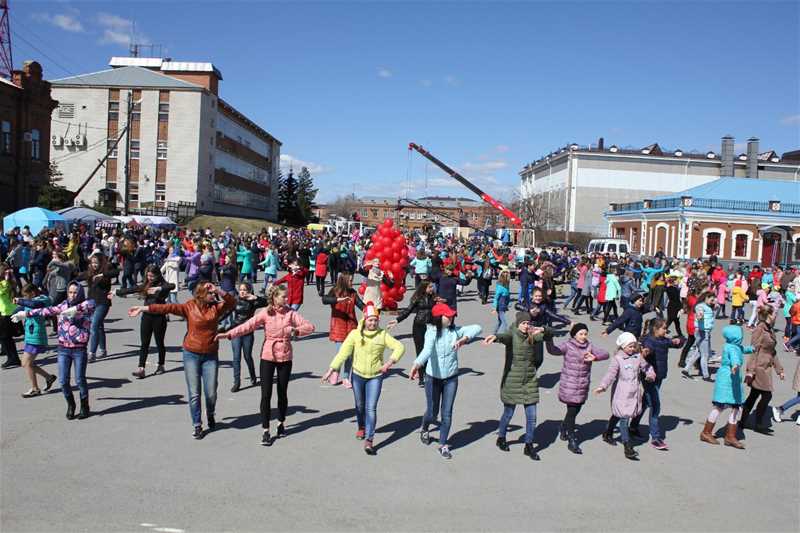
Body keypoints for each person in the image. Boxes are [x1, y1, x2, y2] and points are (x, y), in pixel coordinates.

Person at [130, 282, 235, 439]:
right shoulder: (189, 306)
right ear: (200, 295)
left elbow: (232, 302)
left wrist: (218, 289)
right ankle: (197, 425)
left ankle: (211, 413)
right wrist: (142, 308)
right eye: (210, 293)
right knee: (194, 393)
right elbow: (167, 308)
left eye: (213, 293)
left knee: (211, 392)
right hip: (191, 353)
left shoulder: (216, 307)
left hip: (210, 354)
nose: (213, 295)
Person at [218, 284, 314, 446]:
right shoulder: (265, 313)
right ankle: (266, 430)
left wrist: (296, 331)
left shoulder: (291, 313)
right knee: (266, 394)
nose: (286, 299)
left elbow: (310, 327)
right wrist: (229, 334)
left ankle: (281, 422)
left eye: (286, 296)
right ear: (274, 298)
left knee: (282, 393)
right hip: (268, 355)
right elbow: (247, 325)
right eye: (283, 296)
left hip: (285, 355)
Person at [322, 302, 406, 455]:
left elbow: (399, 347)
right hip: (358, 376)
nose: (373, 323)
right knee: (360, 406)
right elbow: (343, 353)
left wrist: (389, 363)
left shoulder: (382, 335)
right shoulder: (355, 334)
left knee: (371, 408)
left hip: (375, 376)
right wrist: (331, 369)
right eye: (370, 320)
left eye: (375, 320)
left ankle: (369, 439)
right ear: (364, 320)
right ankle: (361, 427)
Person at [409, 303, 481, 460]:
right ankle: (425, 428)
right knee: (432, 412)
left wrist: (464, 339)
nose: (451, 317)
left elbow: (477, 327)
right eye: (447, 315)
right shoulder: (431, 332)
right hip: (432, 378)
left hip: (451, 378)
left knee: (446, 413)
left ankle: (443, 444)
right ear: (438, 318)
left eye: (451, 315)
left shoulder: (455, 331)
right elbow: (427, 350)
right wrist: (416, 364)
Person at [15, 282, 95, 419]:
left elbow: (92, 303)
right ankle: (71, 405)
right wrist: (26, 314)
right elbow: (46, 310)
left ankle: (84, 406)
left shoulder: (87, 305)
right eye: (70, 292)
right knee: (63, 381)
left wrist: (76, 309)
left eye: (75, 292)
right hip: (63, 348)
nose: (72, 295)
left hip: (79, 349)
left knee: (80, 380)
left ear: (80, 293)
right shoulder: (63, 305)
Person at [483, 312, 544, 461]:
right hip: (512, 380)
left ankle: (528, 445)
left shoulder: (533, 336)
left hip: (529, 381)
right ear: (518, 324)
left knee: (532, 417)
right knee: (508, 414)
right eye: (523, 323)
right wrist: (496, 337)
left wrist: (544, 330)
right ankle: (501, 437)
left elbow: (549, 335)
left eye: (528, 323)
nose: (526, 326)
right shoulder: (512, 335)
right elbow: (505, 337)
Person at [545, 323, 609, 454]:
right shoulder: (568, 345)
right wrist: (548, 338)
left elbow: (606, 354)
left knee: (576, 408)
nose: (584, 336)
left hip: (582, 384)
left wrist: (595, 357)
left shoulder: (589, 346)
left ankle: (563, 427)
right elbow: (553, 351)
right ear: (574, 334)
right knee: (572, 411)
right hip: (570, 384)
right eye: (581, 333)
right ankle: (572, 439)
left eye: (585, 333)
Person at [595, 332, 656, 460]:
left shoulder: (638, 357)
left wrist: (650, 375)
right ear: (622, 346)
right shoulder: (618, 359)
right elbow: (610, 374)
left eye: (634, 346)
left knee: (619, 414)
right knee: (624, 417)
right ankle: (627, 446)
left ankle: (607, 433)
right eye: (629, 346)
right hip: (621, 391)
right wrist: (603, 386)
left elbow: (647, 367)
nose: (632, 349)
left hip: (634, 392)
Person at [629, 318, 684, 450]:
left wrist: (679, 341)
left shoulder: (663, 340)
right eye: (664, 328)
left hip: (659, 376)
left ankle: (633, 426)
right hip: (649, 377)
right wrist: (645, 351)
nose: (666, 330)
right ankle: (656, 438)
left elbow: (675, 343)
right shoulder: (649, 341)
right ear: (655, 329)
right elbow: (647, 349)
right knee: (655, 405)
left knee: (646, 402)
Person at [699, 325, 753, 449]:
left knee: (734, 407)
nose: (741, 337)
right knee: (721, 406)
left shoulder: (734, 346)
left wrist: (751, 349)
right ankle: (707, 432)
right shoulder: (732, 348)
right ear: (735, 337)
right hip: (728, 380)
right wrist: (735, 365)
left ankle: (729, 435)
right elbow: (734, 357)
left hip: (731, 380)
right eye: (740, 335)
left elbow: (742, 349)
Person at [118, 265, 175, 379]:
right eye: (148, 275)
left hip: (159, 317)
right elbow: (132, 289)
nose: (149, 278)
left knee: (159, 342)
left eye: (152, 276)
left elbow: (171, 286)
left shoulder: (162, 285)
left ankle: (161, 365)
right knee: (144, 343)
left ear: (157, 275)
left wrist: (159, 288)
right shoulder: (146, 285)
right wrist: (117, 292)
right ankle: (141, 368)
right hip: (146, 316)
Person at [740, 307, 784, 433]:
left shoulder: (769, 329)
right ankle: (758, 423)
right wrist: (750, 370)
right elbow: (754, 351)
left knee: (753, 395)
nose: (776, 315)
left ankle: (742, 421)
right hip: (759, 367)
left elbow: (772, 352)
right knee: (766, 395)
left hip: (766, 366)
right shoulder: (759, 329)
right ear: (769, 315)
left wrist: (779, 369)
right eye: (775, 313)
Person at [220, 282, 267, 392]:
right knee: (236, 357)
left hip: (248, 332)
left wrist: (255, 297)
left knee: (247, 356)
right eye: (240, 289)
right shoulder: (235, 301)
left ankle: (253, 376)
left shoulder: (253, 302)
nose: (242, 292)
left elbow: (266, 302)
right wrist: (215, 322)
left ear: (249, 291)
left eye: (245, 290)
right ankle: (237, 382)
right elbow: (225, 313)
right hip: (235, 331)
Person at [388, 280, 435, 387]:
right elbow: (407, 311)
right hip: (419, 327)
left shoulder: (434, 298)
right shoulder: (417, 298)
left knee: (430, 351)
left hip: (431, 327)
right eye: (430, 287)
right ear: (424, 288)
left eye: (432, 287)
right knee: (420, 351)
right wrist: (397, 320)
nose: (432, 289)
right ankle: (422, 377)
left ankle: (429, 374)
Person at [12, 284, 57, 397]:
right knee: (27, 363)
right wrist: (13, 312)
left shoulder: (42, 299)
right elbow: (19, 308)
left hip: (37, 336)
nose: (26, 298)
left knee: (26, 363)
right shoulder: (29, 301)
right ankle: (49, 377)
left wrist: (20, 301)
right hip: (30, 336)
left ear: (32, 292)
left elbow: (33, 305)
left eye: (26, 295)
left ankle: (35, 389)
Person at [322, 273, 364, 388]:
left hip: (351, 326)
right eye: (350, 280)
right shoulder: (334, 291)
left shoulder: (353, 293)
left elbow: (361, 305)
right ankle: (335, 372)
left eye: (352, 280)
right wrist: (338, 299)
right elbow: (324, 299)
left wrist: (370, 310)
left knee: (350, 354)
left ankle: (346, 377)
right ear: (344, 281)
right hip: (338, 326)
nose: (352, 282)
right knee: (340, 353)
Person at [76, 253, 118, 362]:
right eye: (92, 262)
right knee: (99, 327)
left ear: (101, 263)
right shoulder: (89, 273)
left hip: (103, 302)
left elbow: (116, 272)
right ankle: (103, 350)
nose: (94, 265)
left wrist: (103, 275)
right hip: (91, 303)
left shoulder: (107, 271)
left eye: (96, 262)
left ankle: (92, 353)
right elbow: (77, 277)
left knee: (94, 326)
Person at [682, 291, 717, 381]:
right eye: (711, 299)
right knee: (705, 355)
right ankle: (706, 375)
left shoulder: (708, 307)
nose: (712, 301)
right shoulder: (700, 306)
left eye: (713, 299)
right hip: (702, 332)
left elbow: (713, 315)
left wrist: (715, 305)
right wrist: (700, 316)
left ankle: (686, 369)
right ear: (706, 298)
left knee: (698, 353)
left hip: (705, 332)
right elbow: (699, 314)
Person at [0, 264, 21, 368]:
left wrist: (6, 279)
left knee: (5, 338)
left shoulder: (5, 284)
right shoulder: (9, 282)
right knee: (6, 338)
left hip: (6, 313)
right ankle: (13, 358)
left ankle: (12, 358)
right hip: (7, 312)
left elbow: (2, 291)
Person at [491, 270, 511, 334]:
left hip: (504, 306)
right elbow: (496, 298)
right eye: (504, 273)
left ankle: (494, 334)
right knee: (504, 322)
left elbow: (508, 296)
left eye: (507, 273)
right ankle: (506, 335)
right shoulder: (500, 286)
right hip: (500, 307)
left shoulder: (507, 285)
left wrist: (508, 303)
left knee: (499, 321)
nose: (506, 274)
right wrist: (494, 307)